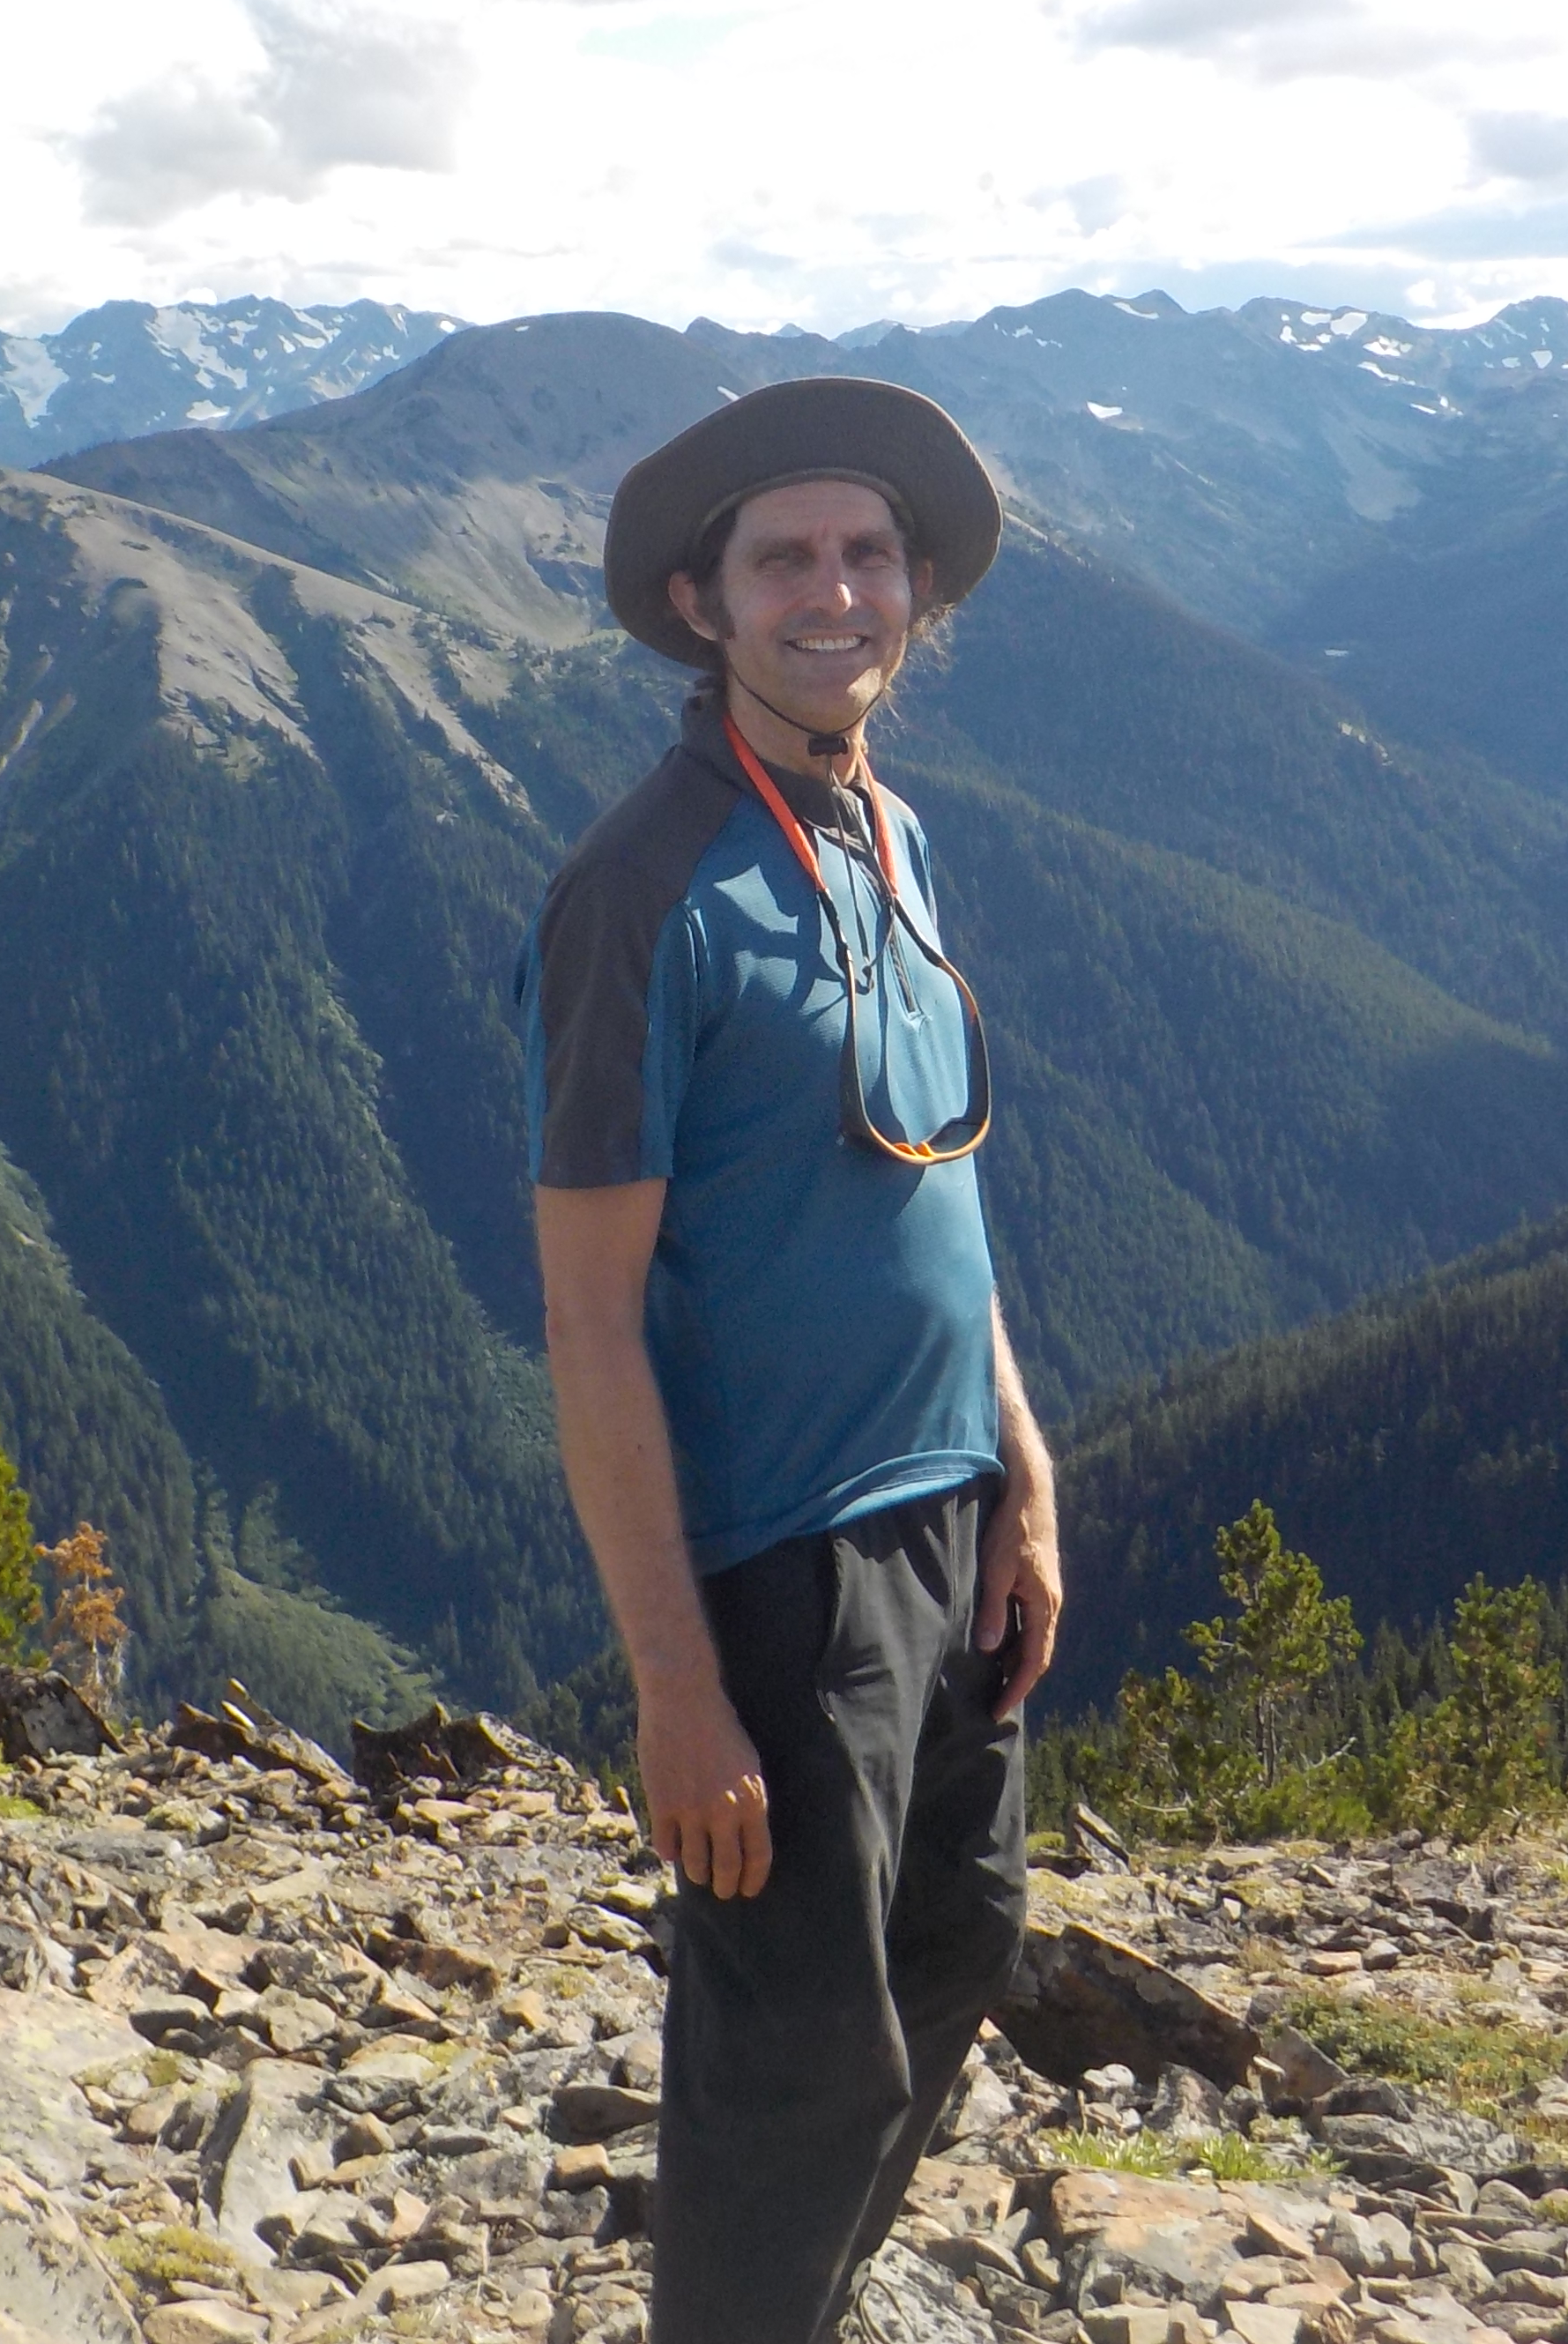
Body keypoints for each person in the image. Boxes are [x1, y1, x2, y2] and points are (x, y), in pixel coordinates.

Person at [522, 376, 1064, 2344]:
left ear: (911, 588)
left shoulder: (887, 833)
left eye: (866, 554)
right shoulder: (643, 891)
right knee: (786, 2061)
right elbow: (587, 1314)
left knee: (954, 1953)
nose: (833, 591)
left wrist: (1018, 1462)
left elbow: (933, 1182)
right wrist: (676, 1687)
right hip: (780, 1565)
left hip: (943, 1521)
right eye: (785, 560)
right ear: (701, 603)